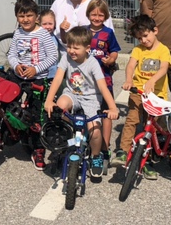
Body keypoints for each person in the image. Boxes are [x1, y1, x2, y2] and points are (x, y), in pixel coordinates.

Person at [43, 26, 120, 178]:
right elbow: (58, 78)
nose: (72, 50)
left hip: (91, 98)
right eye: (69, 46)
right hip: (72, 94)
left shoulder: (93, 63)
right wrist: (49, 100)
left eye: (76, 48)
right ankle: (66, 143)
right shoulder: (66, 57)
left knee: (95, 131)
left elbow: (103, 87)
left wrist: (112, 107)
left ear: (87, 48)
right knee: (60, 108)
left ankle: (96, 156)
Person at [110, 15, 171, 179]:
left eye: (145, 36)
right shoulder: (138, 50)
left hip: (156, 96)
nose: (143, 40)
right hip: (138, 93)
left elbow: (163, 68)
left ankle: (148, 161)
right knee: (131, 120)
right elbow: (131, 65)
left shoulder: (163, 50)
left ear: (155, 31)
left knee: (151, 128)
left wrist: (152, 81)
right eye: (139, 38)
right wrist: (129, 80)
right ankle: (123, 151)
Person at [7, 0, 59, 171]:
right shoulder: (18, 33)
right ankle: (11, 133)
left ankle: (38, 149)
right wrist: (16, 65)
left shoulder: (43, 34)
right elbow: (12, 54)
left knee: (37, 115)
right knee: (8, 103)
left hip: (38, 78)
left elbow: (53, 57)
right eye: (21, 16)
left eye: (29, 15)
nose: (25, 19)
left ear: (36, 16)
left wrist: (36, 69)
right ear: (16, 17)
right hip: (19, 75)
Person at [85, 0, 121, 160]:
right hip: (86, 80)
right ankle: (89, 142)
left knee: (106, 112)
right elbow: (71, 45)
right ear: (88, 15)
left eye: (100, 15)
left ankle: (105, 146)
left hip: (104, 79)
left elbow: (114, 51)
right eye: (93, 14)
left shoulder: (108, 33)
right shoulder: (83, 31)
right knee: (87, 111)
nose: (97, 18)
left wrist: (112, 59)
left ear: (105, 16)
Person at [50, 0, 114, 49]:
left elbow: (109, 33)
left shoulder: (96, 2)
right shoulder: (60, 0)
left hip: (92, 52)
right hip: (64, 50)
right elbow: (47, 22)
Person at [39, 9, 59, 79]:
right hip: (41, 73)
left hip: (53, 72)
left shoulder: (56, 37)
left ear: (55, 24)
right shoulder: (39, 37)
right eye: (44, 24)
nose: (47, 27)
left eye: (50, 24)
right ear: (40, 24)